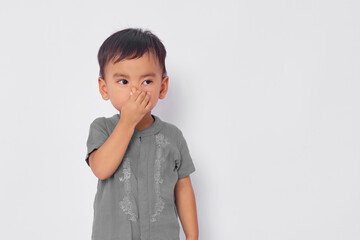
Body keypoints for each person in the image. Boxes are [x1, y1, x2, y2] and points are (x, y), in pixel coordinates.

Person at [85, 28, 198, 240]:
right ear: (104, 88)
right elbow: (100, 169)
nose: (135, 91)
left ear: (162, 87)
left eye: (146, 81)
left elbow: (183, 189)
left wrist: (193, 237)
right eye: (123, 81)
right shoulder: (101, 128)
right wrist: (127, 121)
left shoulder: (173, 137)